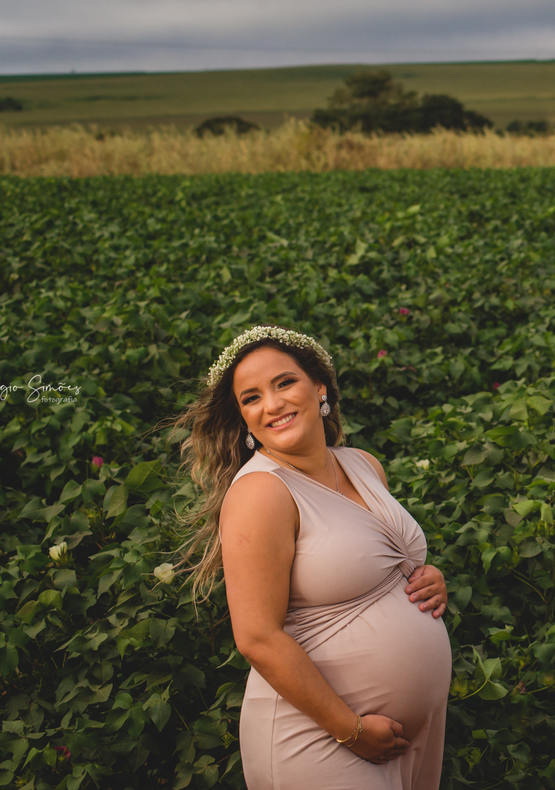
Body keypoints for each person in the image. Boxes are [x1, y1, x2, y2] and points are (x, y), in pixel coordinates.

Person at [173, 325, 452, 790]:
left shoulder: (362, 464)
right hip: (322, 739)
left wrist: (425, 575)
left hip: (409, 735)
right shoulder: (261, 493)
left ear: (319, 387)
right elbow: (257, 637)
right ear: (243, 418)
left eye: (284, 383)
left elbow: (375, 557)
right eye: (252, 397)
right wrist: (353, 731)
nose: (273, 404)